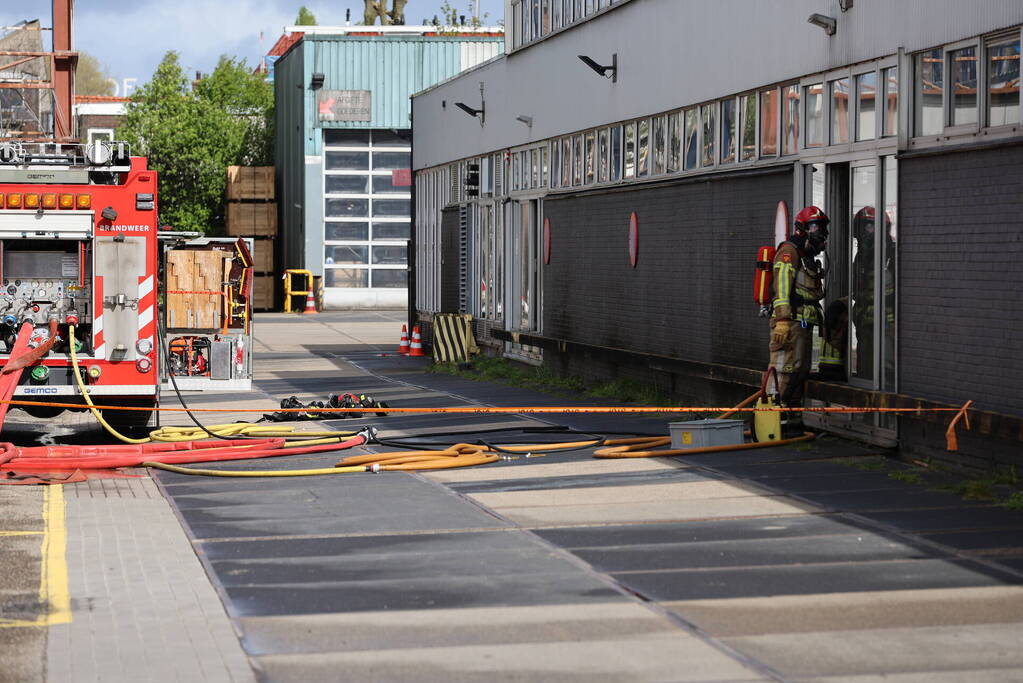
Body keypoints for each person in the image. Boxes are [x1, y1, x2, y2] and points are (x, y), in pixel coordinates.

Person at [768, 205, 829, 427]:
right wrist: (782, 321)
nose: (820, 232)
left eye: (821, 227)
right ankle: (769, 418)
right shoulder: (789, 252)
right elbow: (782, 288)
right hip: (790, 323)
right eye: (814, 227)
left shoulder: (806, 256)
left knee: (800, 370)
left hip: (803, 323)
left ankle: (789, 420)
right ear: (801, 228)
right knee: (783, 370)